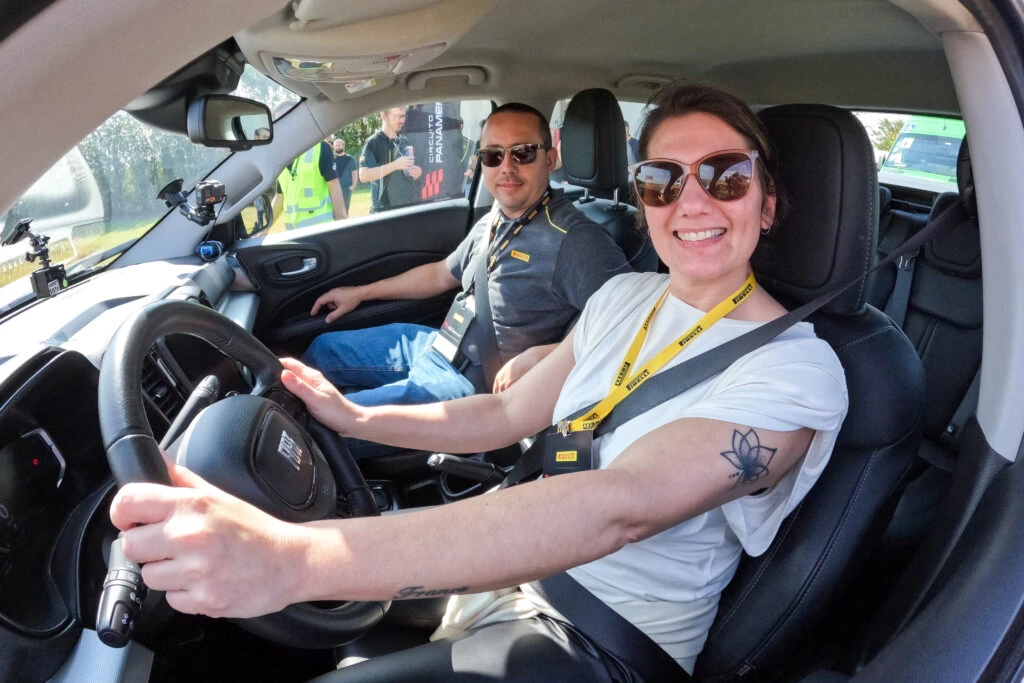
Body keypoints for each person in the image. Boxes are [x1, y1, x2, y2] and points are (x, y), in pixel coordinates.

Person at [109, 83, 849, 679]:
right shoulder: (627, 297)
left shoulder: (797, 369)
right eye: (662, 180)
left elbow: (617, 507)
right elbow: (505, 414)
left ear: (769, 201)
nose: (692, 201)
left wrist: (289, 559)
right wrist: (352, 418)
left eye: (726, 175)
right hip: (516, 571)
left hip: (600, 635)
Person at [302, 102, 631, 418]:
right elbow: (440, 275)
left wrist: (543, 357)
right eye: (493, 155)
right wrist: (361, 293)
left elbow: (630, 325)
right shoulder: (495, 219)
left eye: (523, 152)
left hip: (474, 384)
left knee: (324, 419)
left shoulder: (576, 240)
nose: (506, 166)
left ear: (551, 159)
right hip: (439, 346)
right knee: (320, 350)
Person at [359, 106, 423, 212]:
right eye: (397, 116)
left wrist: (417, 172)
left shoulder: (405, 140)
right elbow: (364, 176)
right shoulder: (373, 142)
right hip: (385, 210)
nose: (402, 120)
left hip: (408, 207)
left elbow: (409, 171)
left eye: (403, 116)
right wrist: (395, 165)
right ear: (384, 116)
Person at [275, 137, 347, 228]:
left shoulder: (320, 147)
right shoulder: (280, 157)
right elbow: (279, 197)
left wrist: (340, 222)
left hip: (321, 229)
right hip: (293, 232)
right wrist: (265, 229)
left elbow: (334, 186)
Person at [332, 137, 358, 214]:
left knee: (345, 210)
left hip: (346, 188)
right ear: (334, 147)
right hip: (334, 188)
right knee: (334, 211)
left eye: (339, 145)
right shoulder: (331, 158)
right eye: (336, 145)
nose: (338, 147)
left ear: (343, 146)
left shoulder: (350, 158)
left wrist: (354, 185)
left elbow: (354, 172)